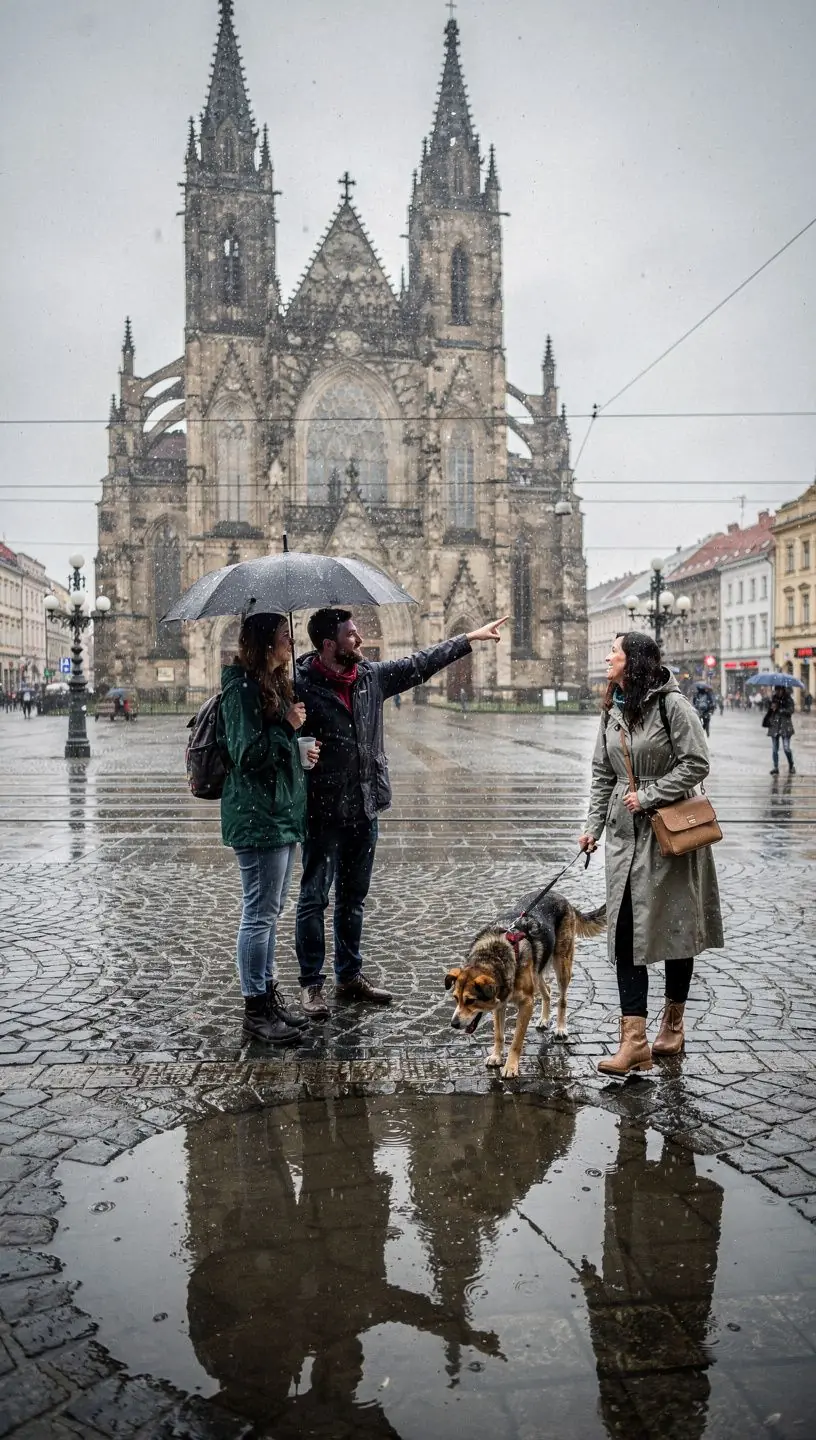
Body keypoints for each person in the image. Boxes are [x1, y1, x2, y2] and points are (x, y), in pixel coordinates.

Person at [294, 608, 508, 1017]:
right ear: (327, 644)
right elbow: (271, 729)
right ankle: (311, 984)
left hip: (364, 805)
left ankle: (349, 974)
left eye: (358, 633)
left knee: (352, 899)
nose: (358, 640)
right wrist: (294, 737)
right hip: (321, 811)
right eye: (351, 635)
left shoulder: (369, 678)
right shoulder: (300, 684)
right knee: (313, 899)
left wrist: (467, 639)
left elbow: (418, 665)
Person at [578, 632, 723, 1076]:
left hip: (670, 834)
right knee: (623, 934)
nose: (607, 657)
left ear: (634, 661)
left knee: (676, 928)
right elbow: (603, 774)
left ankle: (673, 1025)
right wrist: (591, 828)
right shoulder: (614, 708)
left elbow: (697, 762)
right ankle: (634, 1043)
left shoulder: (671, 706)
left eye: (615, 652)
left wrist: (652, 794)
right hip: (626, 836)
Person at [217, 611, 320, 1046]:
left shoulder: (271, 686)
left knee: (269, 913)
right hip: (257, 819)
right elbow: (247, 755)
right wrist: (286, 729)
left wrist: (297, 749)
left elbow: (272, 748)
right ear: (264, 642)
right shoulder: (240, 689)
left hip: (277, 815)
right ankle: (254, 1010)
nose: (292, 643)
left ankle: (268, 997)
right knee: (257, 915)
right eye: (284, 636)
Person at [763, 684, 795, 774]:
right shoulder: (774, 698)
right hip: (775, 726)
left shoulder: (788, 699)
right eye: (776, 690)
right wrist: (768, 703)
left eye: (779, 690)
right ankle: (776, 767)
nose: (778, 692)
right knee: (774, 749)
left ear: (783, 690)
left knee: (786, 748)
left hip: (785, 726)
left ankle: (791, 765)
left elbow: (791, 710)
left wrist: (781, 709)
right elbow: (769, 710)